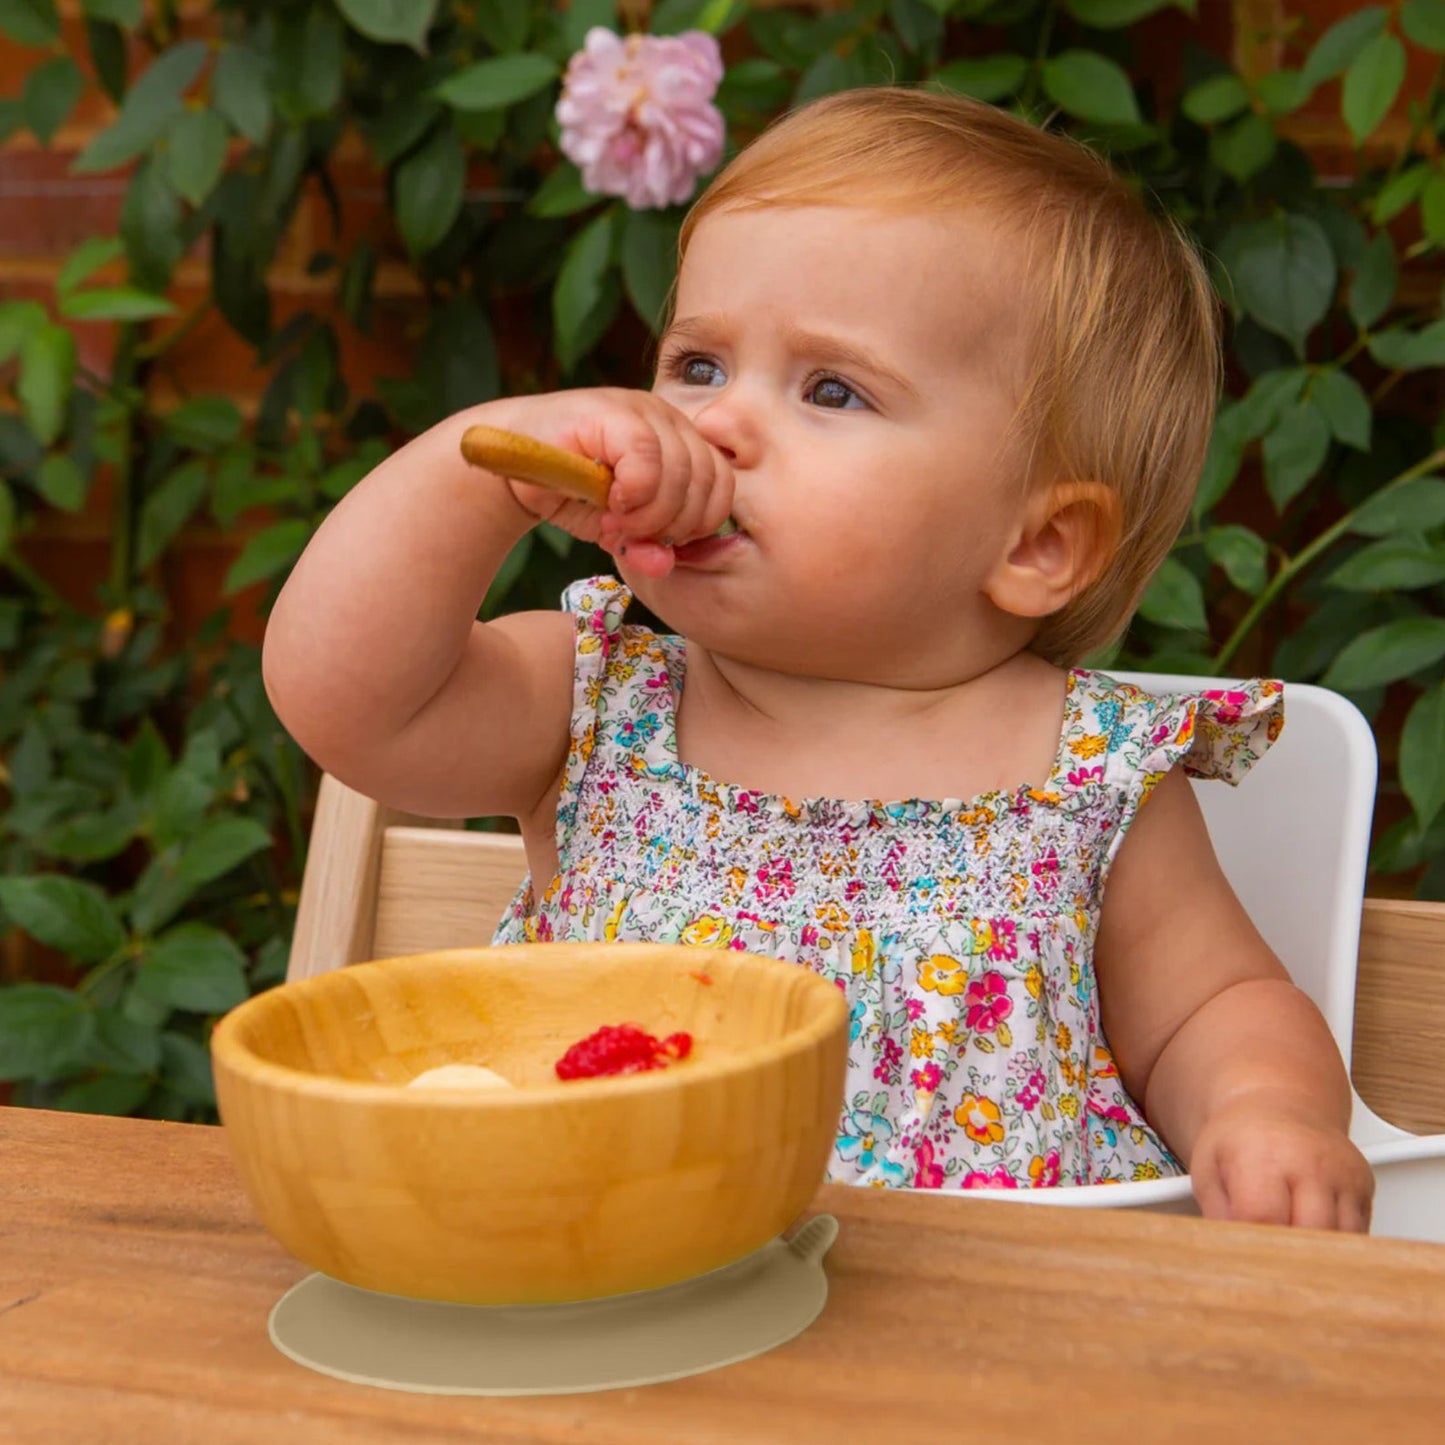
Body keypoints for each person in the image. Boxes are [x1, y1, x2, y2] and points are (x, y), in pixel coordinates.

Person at [263, 87, 1374, 1229]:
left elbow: (1212, 1007)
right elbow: (342, 696)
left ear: (1036, 543)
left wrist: (1266, 1113)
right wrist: (485, 469)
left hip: (980, 1350)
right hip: (620, 1303)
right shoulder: (592, 705)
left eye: (828, 388)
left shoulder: (1085, 772)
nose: (716, 424)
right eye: (695, 365)